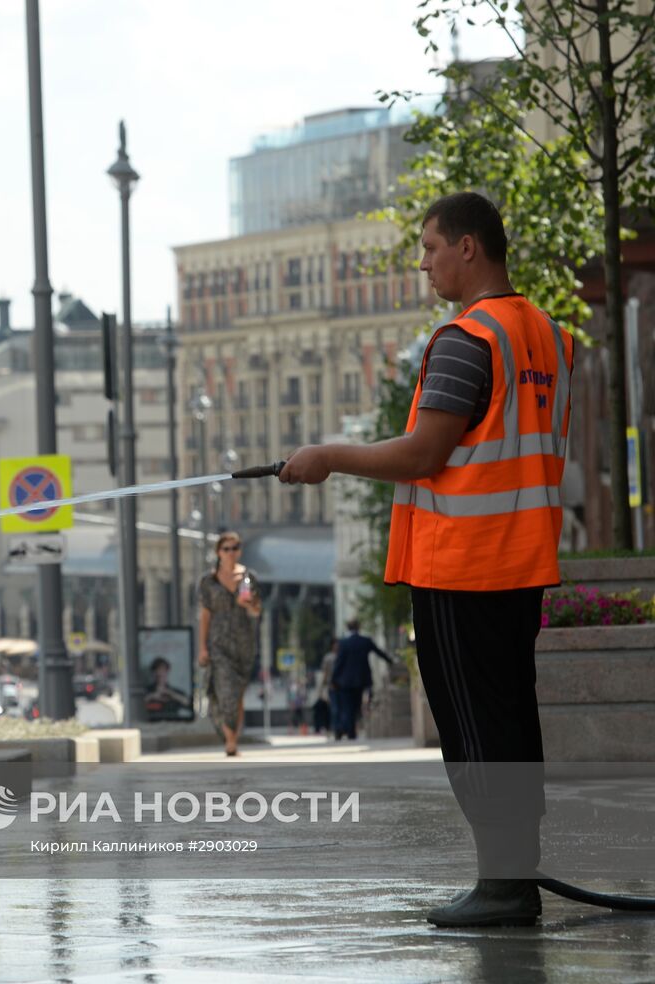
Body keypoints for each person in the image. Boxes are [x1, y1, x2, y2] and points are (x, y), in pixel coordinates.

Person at [279, 192, 573, 928]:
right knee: (509, 719)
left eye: (432, 248)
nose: (422, 263)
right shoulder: (543, 333)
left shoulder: (466, 338)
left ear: (469, 247)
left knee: (474, 727)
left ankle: (504, 887)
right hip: (518, 559)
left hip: (460, 564)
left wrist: (328, 457)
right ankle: (514, 878)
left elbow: (423, 454)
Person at [197, 531, 263, 756]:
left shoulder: (248, 577)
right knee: (226, 691)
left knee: (238, 694)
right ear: (218, 552)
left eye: (235, 548)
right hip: (218, 643)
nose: (231, 553)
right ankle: (230, 740)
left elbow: (257, 611)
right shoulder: (208, 581)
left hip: (244, 642)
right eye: (226, 549)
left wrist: (249, 605)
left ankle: (234, 737)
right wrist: (203, 647)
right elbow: (205, 615)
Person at [331, 618, 392, 741]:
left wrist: (334, 679)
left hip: (345, 682)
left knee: (347, 707)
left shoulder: (343, 643)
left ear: (348, 628)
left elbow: (339, 663)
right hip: (361, 679)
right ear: (358, 627)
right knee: (357, 705)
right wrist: (390, 661)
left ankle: (348, 730)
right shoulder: (365, 641)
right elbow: (379, 652)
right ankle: (350, 730)